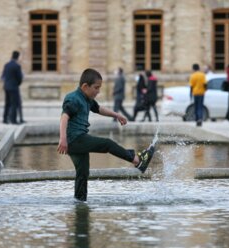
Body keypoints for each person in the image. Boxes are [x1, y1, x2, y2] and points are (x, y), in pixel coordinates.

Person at [57, 68, 155, 202]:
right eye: (96, 88)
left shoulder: (87, 98)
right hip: (75, 139)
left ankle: (79, 201)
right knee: (107, 144)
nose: (98, 91)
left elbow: (99, 109)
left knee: (83, 172)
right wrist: (63, 139)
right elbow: (64, 117)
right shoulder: (74, 98)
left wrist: (117, 114)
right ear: (85, 86)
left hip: (76, 141)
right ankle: (136, 160)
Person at [1, 51, 23, 124]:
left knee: (7, 103)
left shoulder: (6, 65)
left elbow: (3, 76)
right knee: (14, 104)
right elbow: (19, 78)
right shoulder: (17, 66)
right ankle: (13, 120)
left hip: (6, 87)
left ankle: (5, 119)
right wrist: (17, 83)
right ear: (17, 57)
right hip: (14, 87)